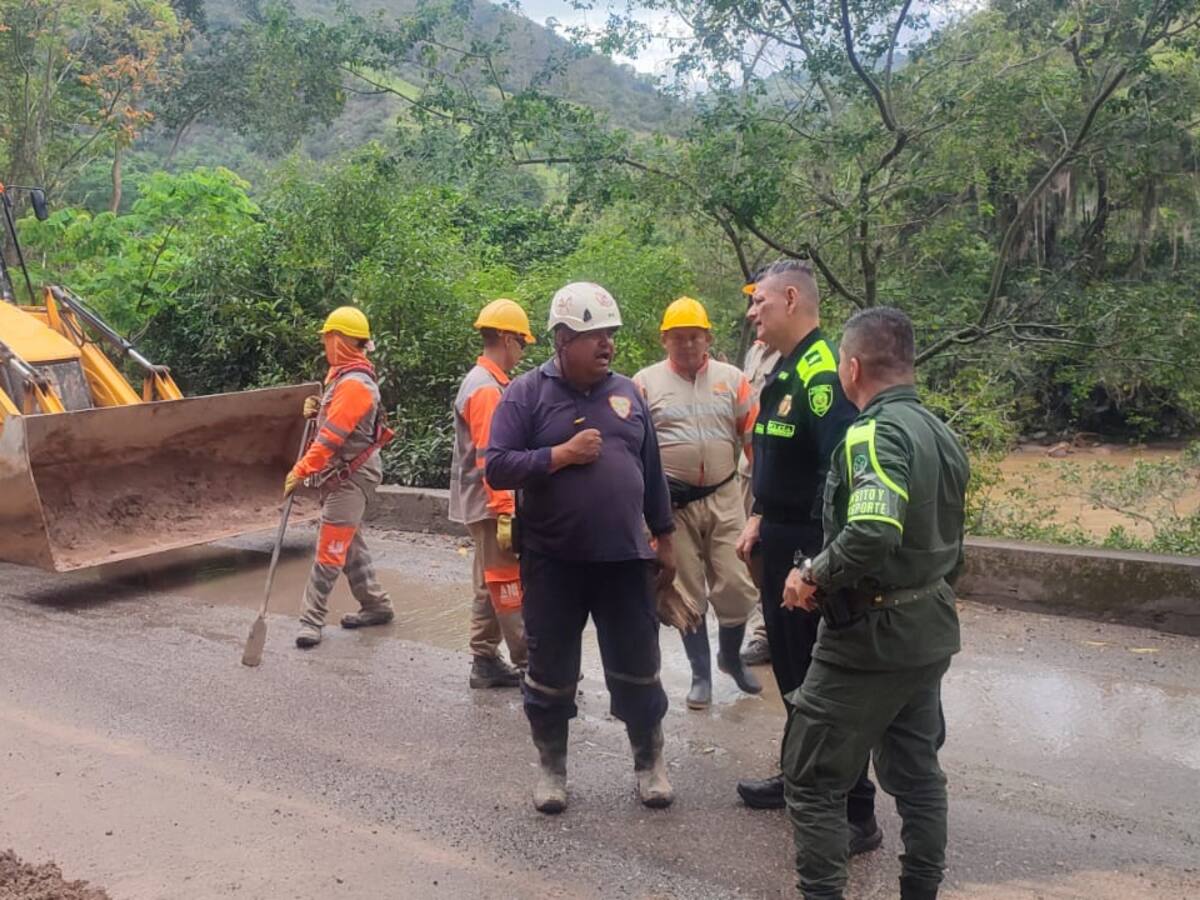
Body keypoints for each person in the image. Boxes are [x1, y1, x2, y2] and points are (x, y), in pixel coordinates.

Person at [781, 307, 968, 900]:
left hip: (868, 639)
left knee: (812, 778)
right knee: (918, 777)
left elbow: (871, 531)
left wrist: (811, 574)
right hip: (927, 630)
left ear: (853, 367)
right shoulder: (941, 433)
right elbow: (953, 546)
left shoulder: (872, 434)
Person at [485, 282, 677, 814]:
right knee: (550, 672)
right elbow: (496, 465)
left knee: (638, 665)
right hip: (553, 562)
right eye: (596, 336)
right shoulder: (525, 395)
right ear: (563, 340)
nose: (607, 345)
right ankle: (552, 770)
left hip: (625, 560)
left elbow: (652, 471)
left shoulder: (629, 394)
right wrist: (560, 455)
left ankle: (650, 763)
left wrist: (666, 537)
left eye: (610, 335)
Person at [732, 261, 880, 856]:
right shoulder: (787, 368)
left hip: (806, 550)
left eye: (761, 301)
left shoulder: (822, 374)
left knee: (824, 684)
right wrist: (760, 514)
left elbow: (837, 474)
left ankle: (856, 809)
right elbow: (780, 460)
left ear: (791, 299)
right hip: (780, 537)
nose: (752, 312)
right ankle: (799, 777)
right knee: (793, 675)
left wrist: (815, 562)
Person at [633, 296, 761, 709]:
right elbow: (633, 449)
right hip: (673, 505)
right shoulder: (645, 384)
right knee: (686, 589)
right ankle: (700, 675)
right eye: (679, 337)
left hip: (725, 496)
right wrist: (646, 507)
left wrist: (764, 501)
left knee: (738, 584)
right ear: (664, 340)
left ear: (708, 338)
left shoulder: (733, 379)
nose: (687, 344)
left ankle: (730, 657)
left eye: (695, 336)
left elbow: (753, 439)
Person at [287, 306, 395, 649]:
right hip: (348, 473)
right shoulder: (346, 377)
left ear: (339, 340)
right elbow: (337, 416)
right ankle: (376, 604)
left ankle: (311, 620)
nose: (324, 346)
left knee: (330, 546)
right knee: (349, 543)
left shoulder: (355, 385)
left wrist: (301, 469)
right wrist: (319, 405)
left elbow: (331, 437)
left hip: (351, 476)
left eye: (327, 339)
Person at [449, 298, 535, 689]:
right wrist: (504, 510)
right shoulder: (485, 389)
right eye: (522, 342)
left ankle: (484, 659)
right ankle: (532, 663)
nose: (522, 351)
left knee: (489, 581)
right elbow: (489, 457)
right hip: (490, 504)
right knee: (507, 582)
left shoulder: (489, 382)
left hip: (484, 502)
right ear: (506, 338)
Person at [736, 276, 780, 667]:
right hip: (750, 470)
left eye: (759, 302)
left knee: (771, 548)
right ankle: (766, 627)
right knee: (751, 552)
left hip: (776, 469)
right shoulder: (755, 353)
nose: (752, 312)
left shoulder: (796, 357)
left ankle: (771, 631)